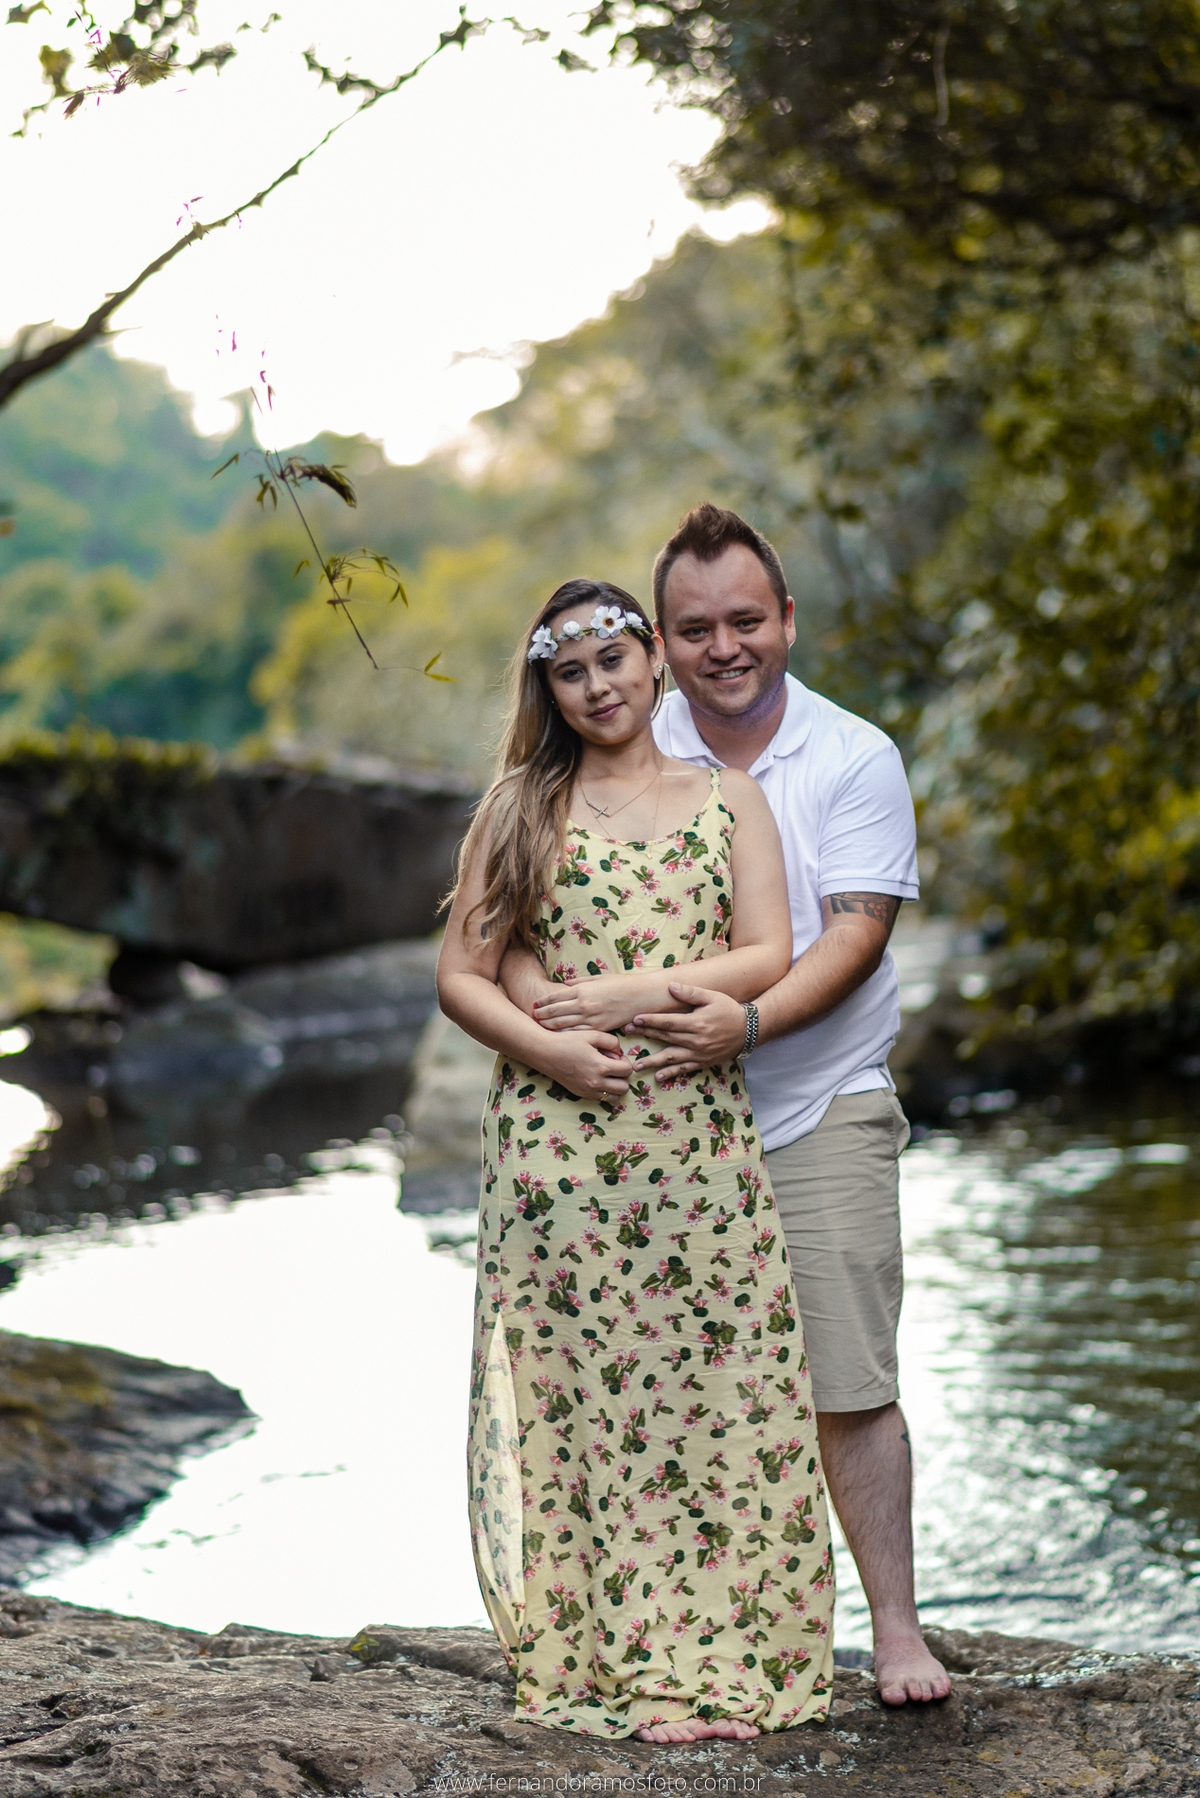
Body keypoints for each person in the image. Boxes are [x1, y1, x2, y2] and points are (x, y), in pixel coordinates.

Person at [504, 507, 951, 1708]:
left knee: (846, 1377)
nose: (724, 647)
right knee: (665, 1389)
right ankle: (684, 1642)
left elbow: (854, 935)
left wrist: (745, 1024)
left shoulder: (853, 758)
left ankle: (896, 1632)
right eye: (696, 628)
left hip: (810, 1104)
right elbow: (520, 925)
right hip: (640, 1129)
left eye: (746, 620)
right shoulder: (608, 738)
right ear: (659, 641)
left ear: (787, 619)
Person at [437, 578, 835, 1743]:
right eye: (573, 670)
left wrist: (636, 992)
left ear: (654, 661)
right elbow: (465, 974)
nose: (600, 685)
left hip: (697, 1148)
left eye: (615, 659)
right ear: (548, 689)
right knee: (590, 1408)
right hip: (560, 1161)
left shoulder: (731, 798)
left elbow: (766, 951)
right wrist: (554, 1055)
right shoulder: (518, 805)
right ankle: (618, 1663)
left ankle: (729, 1658)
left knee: (723, 1391)